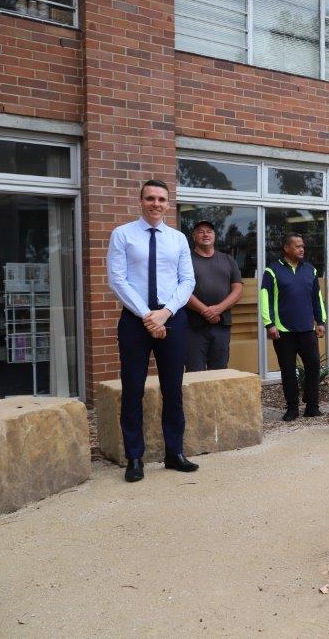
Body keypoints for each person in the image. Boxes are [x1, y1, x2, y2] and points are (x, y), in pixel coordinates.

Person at [106, 179, 198, 482]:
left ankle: (175, 453)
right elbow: (117, 280)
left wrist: (165, 313)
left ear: (168, 204)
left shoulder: (178, 239)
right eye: (150, 198)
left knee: (173, 388)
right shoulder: (122, 235)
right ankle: (135, 457)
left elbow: (187, 281)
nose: (155, 203)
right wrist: (148, 316)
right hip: (135, 319)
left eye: (161, 199)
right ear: (140, 201)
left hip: (172, 316)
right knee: (132, 389)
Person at [260, 233, 327, 421]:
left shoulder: (310, 270)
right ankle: (292, 408)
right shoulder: (272, 271)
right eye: (297, 246)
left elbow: (317, 298)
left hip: (307, 329)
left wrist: (320, 321)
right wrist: (269, 324)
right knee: (287, 370)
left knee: (313, 367)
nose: (301, 249)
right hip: (283, 331)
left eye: (303, 246)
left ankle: (312, 406)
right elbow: (265, 298)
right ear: (286, 248)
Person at [185, 220, 243, 371]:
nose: (205, 234)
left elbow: (237, 290)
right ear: (193, 236)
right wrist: (206, 311)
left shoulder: (228, 260)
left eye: (209, 231)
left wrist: (217, 309)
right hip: (194, 326)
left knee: (220, 371)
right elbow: (181, 291)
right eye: (200, 231)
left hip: (221, 325)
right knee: (194, 371)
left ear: (215, 236)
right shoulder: (185, 260)